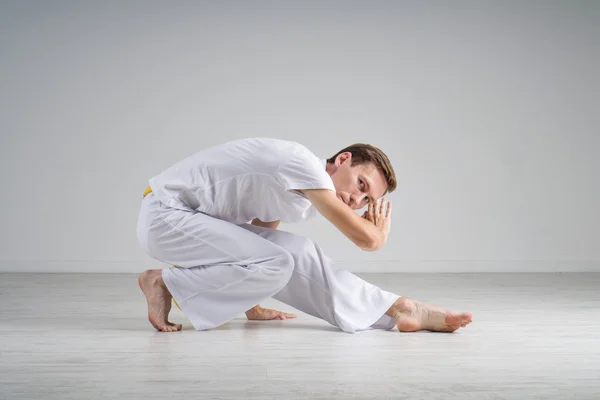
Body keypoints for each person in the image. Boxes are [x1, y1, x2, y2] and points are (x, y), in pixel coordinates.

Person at [136, 137, 472, 333]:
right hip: (165, 215)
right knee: (279, 261)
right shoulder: (302, 165)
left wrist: (250, 301)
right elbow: (367, 239)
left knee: (299, 253)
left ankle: (399, 309)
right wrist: (378, 234)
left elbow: (260, 232)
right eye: (361, 185)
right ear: (343, 160)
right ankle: (163, 283)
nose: (358, 201)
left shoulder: (302, 198)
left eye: (368, 200)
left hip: (190, 220)